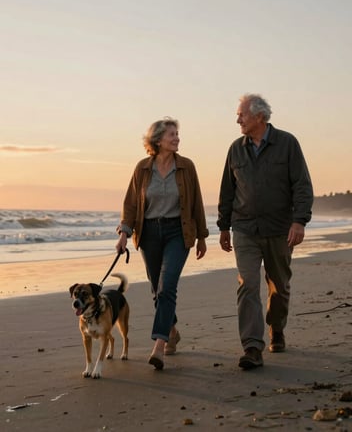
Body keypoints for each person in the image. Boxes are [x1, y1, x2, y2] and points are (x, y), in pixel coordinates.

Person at [217, 94, 313, 370]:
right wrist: (224, 226)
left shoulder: (287, 143)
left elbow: (302, 186)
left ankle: (277, 327)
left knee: (279, 286)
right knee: (247, 284)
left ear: (259, 116)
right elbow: (227, 191)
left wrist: (299, 221)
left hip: (280, 229)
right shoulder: (235, 149)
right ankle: (252, 347)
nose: (237, 119)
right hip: (245, 229)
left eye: (241, 115)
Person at [116, 117, 208, 370]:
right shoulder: (143, 168)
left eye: (177, 134)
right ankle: (172, 329)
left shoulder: (187, 167)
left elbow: (196, 202)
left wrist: (202, 236)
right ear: (157, 140)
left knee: (167, 286)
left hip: (178, 232)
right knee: (158, 290)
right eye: (172, 134)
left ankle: (159, 344)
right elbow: (131, 203)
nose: (177, 138)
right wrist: (124, 233)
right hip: (149, 234)